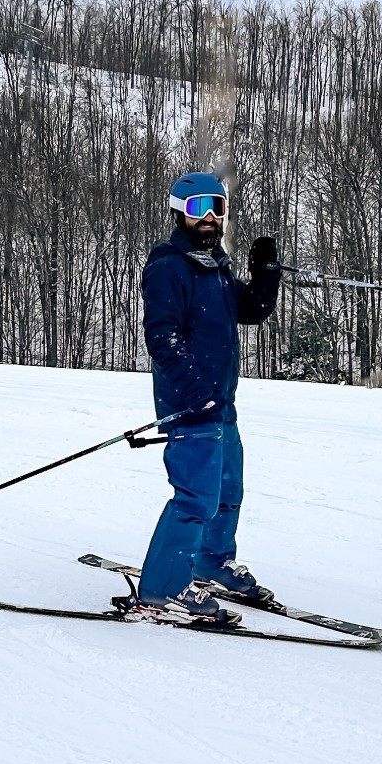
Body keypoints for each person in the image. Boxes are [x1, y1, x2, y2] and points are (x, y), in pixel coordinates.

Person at [126, 170, 282, 626]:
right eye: (198, 209)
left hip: (221, 404)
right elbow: (163, 338)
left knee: (228, 492)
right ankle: (162, 590)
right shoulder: (168, 268)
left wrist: (266, 274)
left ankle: (211, 561)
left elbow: (251, 310)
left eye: (216, 205)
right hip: (190, 405)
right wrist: (197, 395)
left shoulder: (215, 267)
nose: (210, 217)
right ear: (179, 214)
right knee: (195, 498)